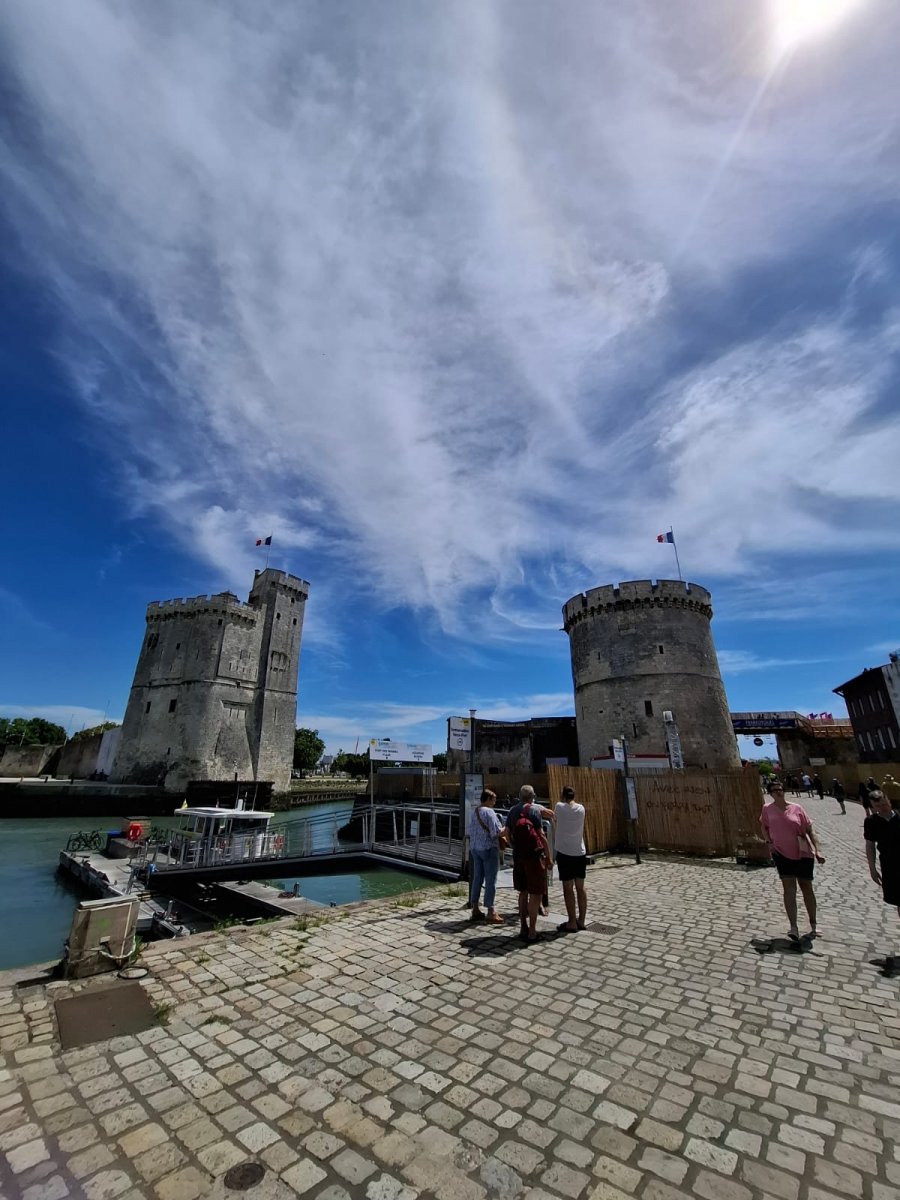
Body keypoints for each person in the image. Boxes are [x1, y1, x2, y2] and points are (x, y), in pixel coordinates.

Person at [760, 780, 825, 941]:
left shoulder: (797, 808)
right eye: (774, 790)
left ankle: (813, 924)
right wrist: (769, 843)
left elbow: (810, 830)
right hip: (781, 853)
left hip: (803, 853)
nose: (778, 792)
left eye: (780, 789)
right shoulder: (767, 809)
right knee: (789, 888)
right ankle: (793, 927)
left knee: (806, 887)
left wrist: (818, 850)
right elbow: (764, 826)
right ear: (770, 793)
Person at [507, 785, 553, 943]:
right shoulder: (534, 811)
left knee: (523, 892)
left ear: (519, 796)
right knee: (535, 893)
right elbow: (541, 835)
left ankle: (523, 927)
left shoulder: (512, 811)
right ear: (532, 797)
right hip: (534, 856)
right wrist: (548, 857)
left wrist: (514, 846)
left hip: (518, 856)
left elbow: (507, 833)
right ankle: (532, 931)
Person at [865, 790, 900, 974]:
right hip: (890, 868)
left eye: (884, 804)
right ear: (872, 807)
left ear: (889, 801)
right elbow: (870, 845)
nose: (882, 808)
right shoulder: (871, 822)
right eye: (877, 806)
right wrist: (872, 868)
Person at [467, 789, 505, 925]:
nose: (494, 803)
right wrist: (507, 829)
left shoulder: (475, 811)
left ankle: (475, 908)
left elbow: (471, 830)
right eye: (493, 800)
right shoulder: (489, 812)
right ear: (488, 799)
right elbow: (496, 832)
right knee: (490, 880)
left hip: (475, 849)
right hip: (488, 849)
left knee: (477, 878)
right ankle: (490, 911)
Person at [554, 785, 588, 933]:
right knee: (580, 887)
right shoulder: (581, 809)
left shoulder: (559, 807)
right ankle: (582, 920)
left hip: (565, 852)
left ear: (563, 796)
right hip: (579, 852)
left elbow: (556, 819)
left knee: (568, 889)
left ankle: (572, 922)